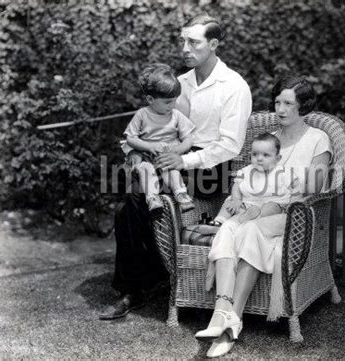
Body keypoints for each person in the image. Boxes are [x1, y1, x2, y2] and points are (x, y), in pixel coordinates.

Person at [99, 13, 252, 320]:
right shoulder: (178, 84)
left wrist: (184, 160)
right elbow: (153, 127)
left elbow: (230, 145)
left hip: (210, 167)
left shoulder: (234, 86)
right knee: (128, 204)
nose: (184, 48)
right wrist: (135, 149)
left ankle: (137, 286)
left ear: (213, 44)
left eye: (193, 42)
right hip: (171, 159)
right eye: (182, 40)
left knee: (132, 202)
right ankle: (142, 283)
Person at [195, 76, 332, 358]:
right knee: (231, 229)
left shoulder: (318, 138)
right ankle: (225, 314)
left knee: (248, 230)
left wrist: (287, 183)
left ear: (303, 106)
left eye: (289, 103)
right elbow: (250, 179)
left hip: (295, 216)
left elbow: (317, 186)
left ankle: (232, 318)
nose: (280, 109)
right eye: (277, 102)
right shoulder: (270, 142)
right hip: (259, 212)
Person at [122, 63, 195, 213]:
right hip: (148, 157)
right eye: (167, 102)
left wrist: (178, 149)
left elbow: (188, 139)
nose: (172, 105)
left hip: (168, 157)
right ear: (150, 99)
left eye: (174, 100)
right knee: (146, 170)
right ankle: (153, 200)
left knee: (172, 171)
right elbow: (130, 138)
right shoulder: (142, 114)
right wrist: (149, 146)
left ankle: (181, 195)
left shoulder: (176, 115)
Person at [208, 132, 297, 227]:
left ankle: (255, 219)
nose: (259, 159)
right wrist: (236, 200)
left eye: (266, 155)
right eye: (255, 154)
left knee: (271, 207)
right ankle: (219, 222)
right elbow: (237, 185)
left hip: (272, 205)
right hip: (247, 205)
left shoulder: (283, 172)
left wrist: (295, 199)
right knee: (229, 203)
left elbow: (296, 185)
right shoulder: (245, 171)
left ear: (277, 158)